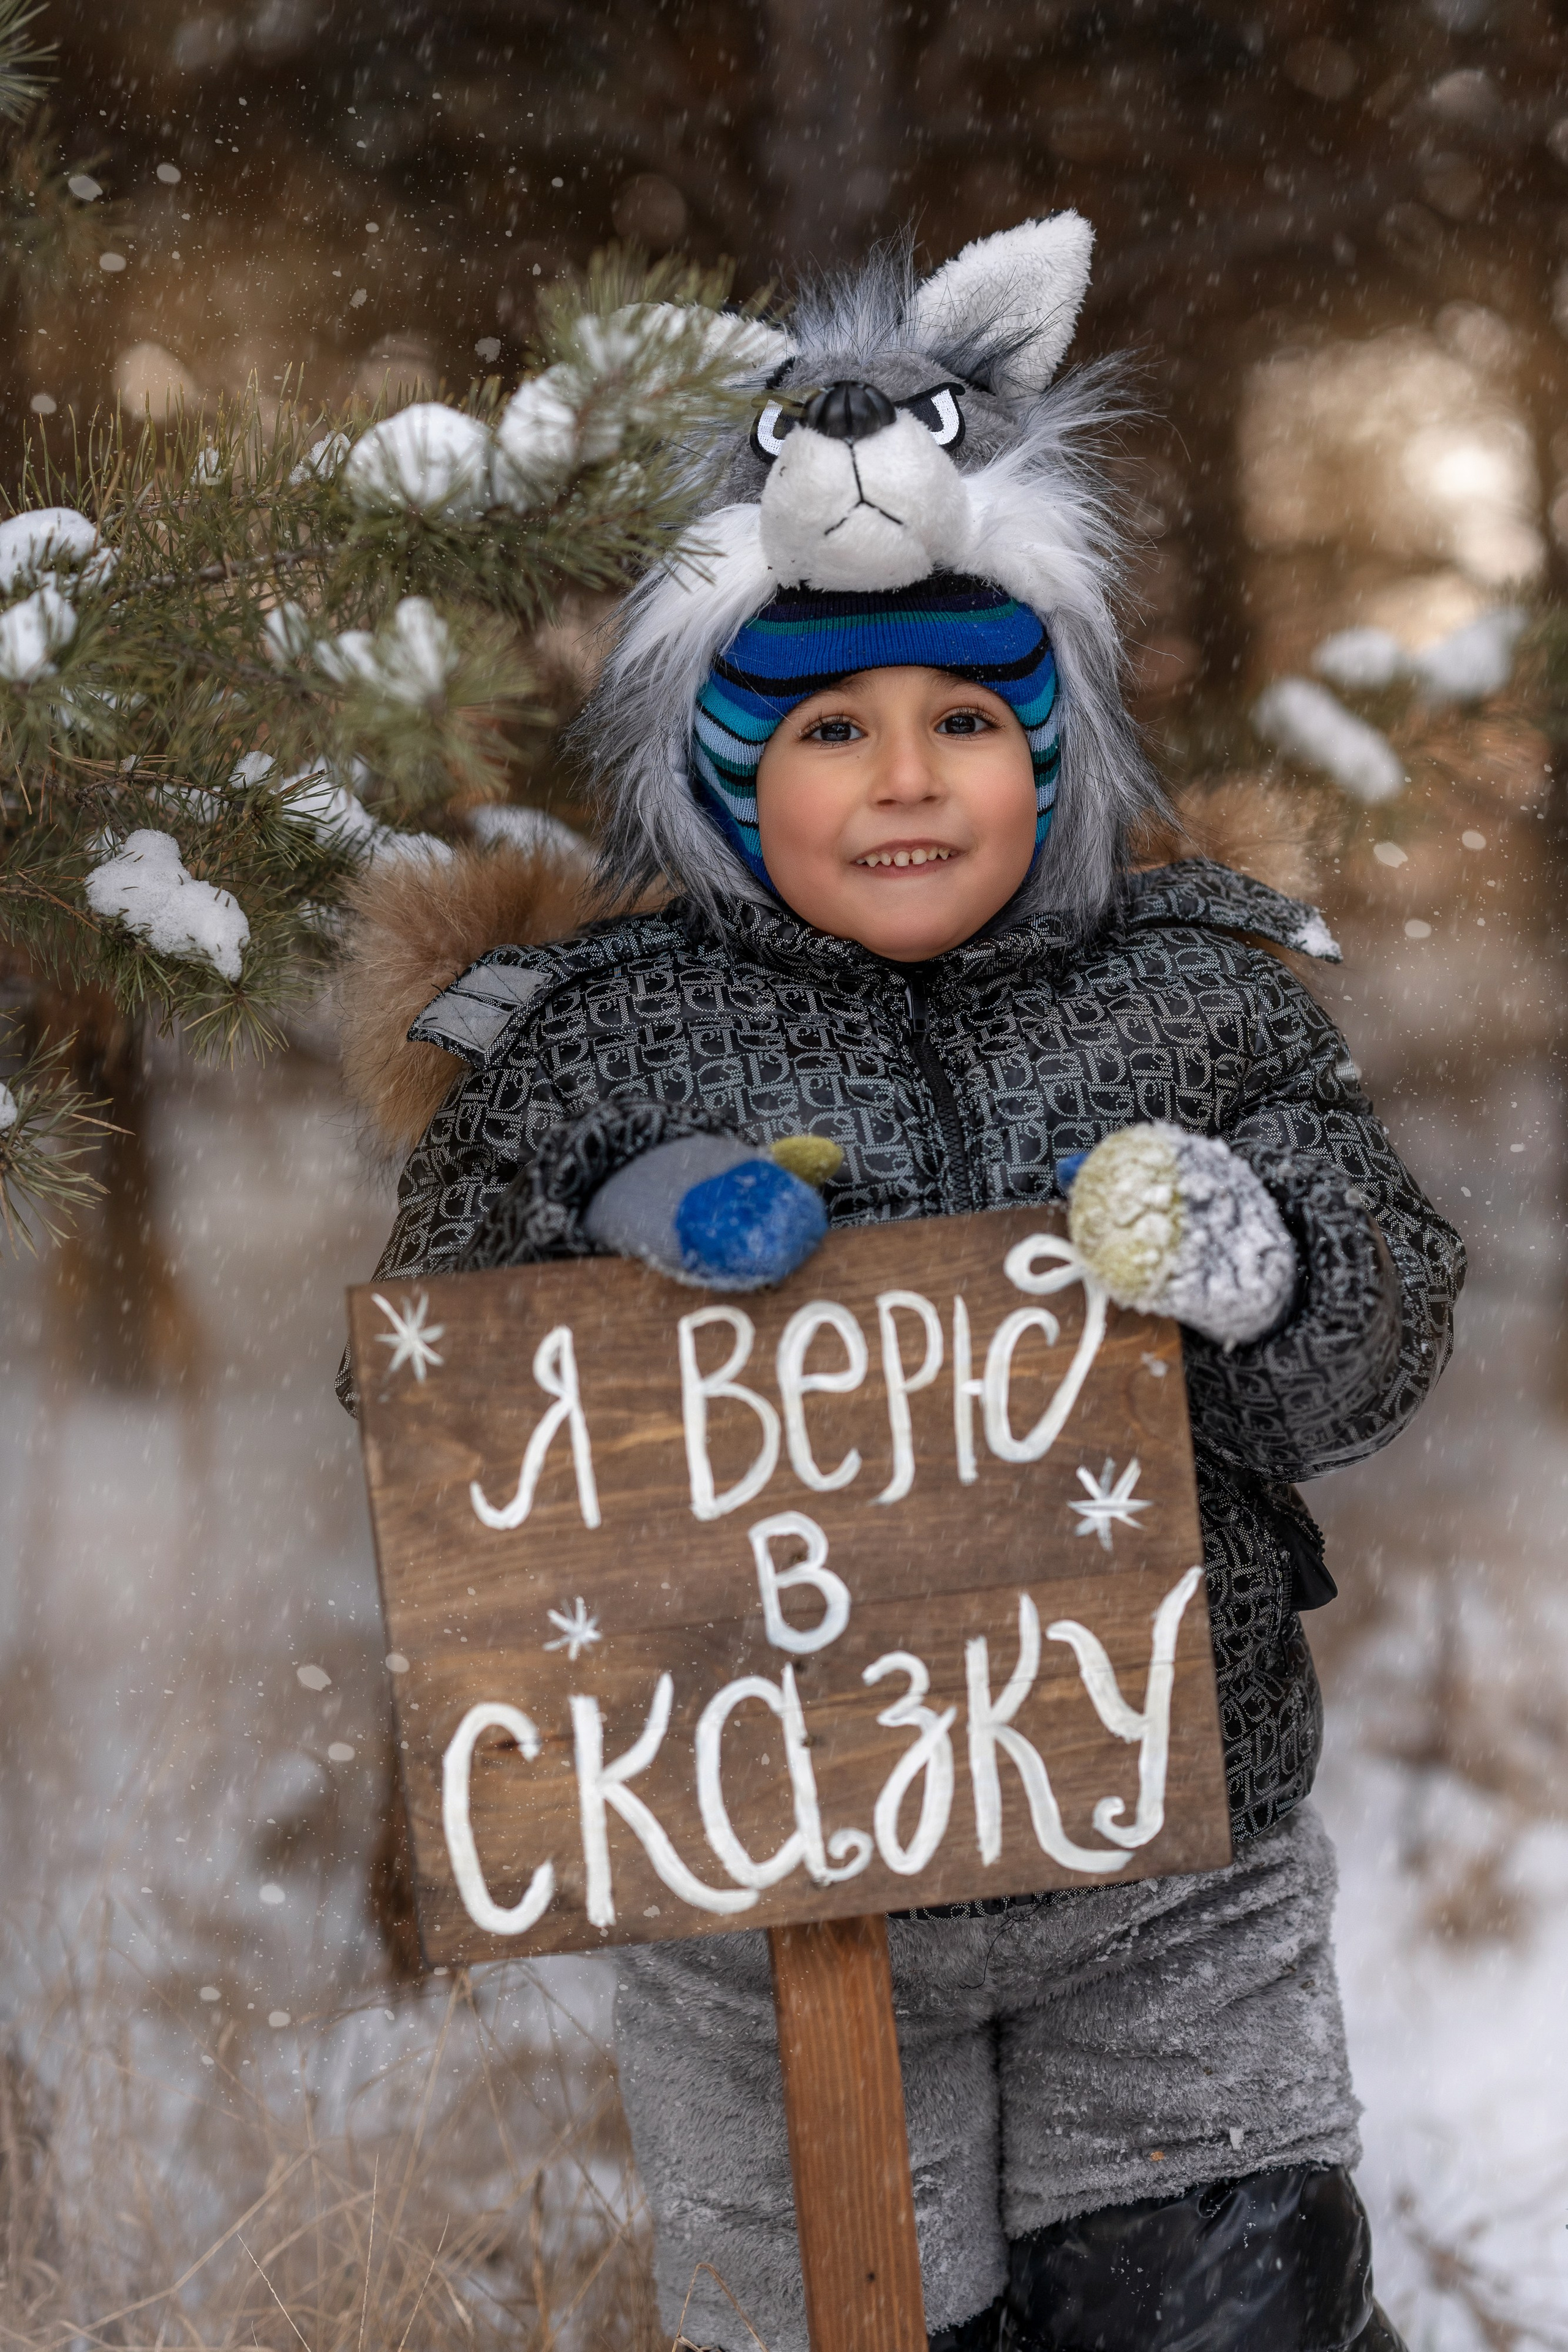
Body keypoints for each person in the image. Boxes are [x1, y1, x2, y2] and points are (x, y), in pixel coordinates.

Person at [340, 218, 1462, 2352]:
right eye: (830, 728)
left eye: (967, 715)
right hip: (772, 1884)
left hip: (1167, 1840)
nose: (910, 774)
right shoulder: (603, 1037)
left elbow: (1385, 1318)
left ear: (1052, 746)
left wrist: (1250, 1249)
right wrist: (637, 1212)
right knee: (853, 2323)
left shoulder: (1193, 999)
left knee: (1224, 2309)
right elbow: (434, 1392)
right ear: (719, 762)